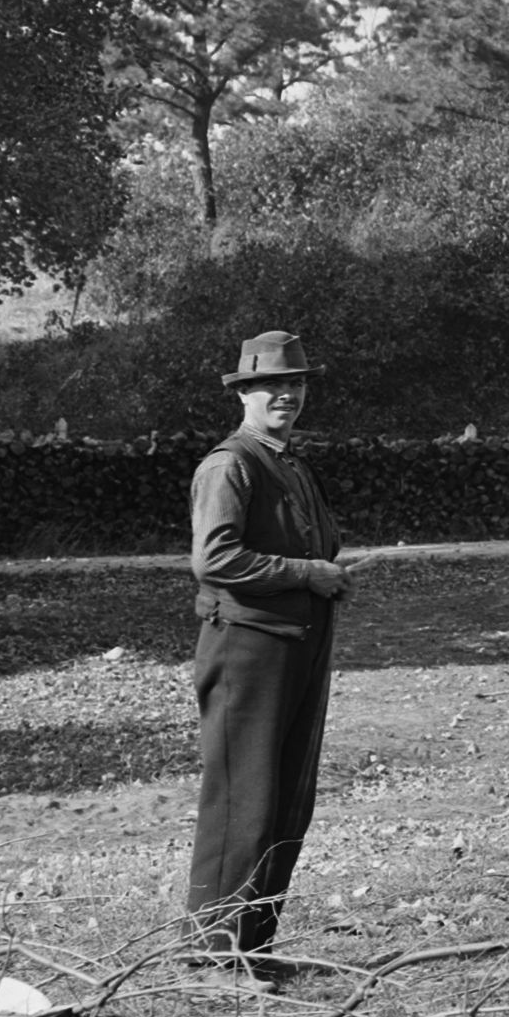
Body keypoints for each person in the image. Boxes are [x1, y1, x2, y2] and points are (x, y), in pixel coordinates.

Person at [184, 329, 354, 970]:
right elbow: (215, 558)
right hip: (247, 650)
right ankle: (212, 956)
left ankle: (253, 949)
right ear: (244, 393)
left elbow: (320, 545)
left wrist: (324, 574)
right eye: (270, 385)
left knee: (287, 800)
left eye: (295, 383)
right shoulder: (229, 465)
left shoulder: (290, 463)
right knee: (241, 798)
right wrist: (306, 574)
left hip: (299, 643)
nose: (285, 394)